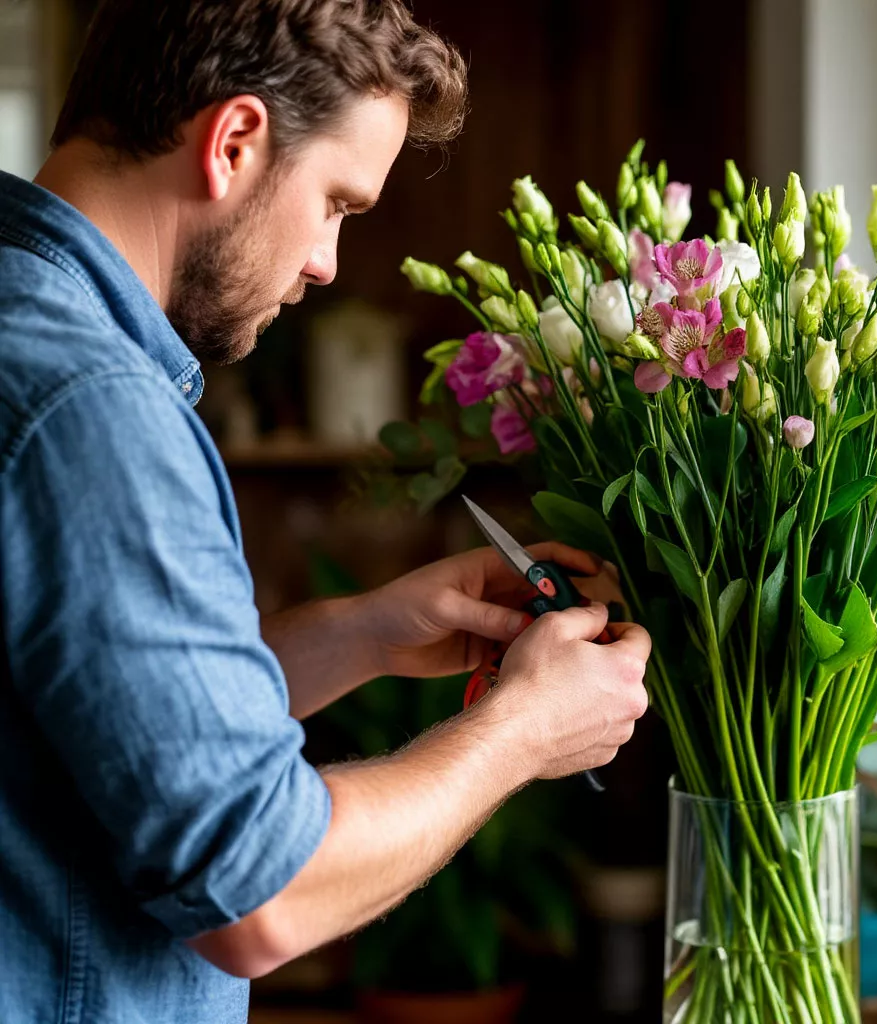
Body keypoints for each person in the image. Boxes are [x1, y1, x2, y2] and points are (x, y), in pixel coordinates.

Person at [0, 2, 652, 1021]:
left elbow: (84, 717)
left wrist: (364, 631)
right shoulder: (92, 406)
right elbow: (260, 890)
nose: (325, 265)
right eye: (339, 204)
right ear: (235, 142)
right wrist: (522, 731)